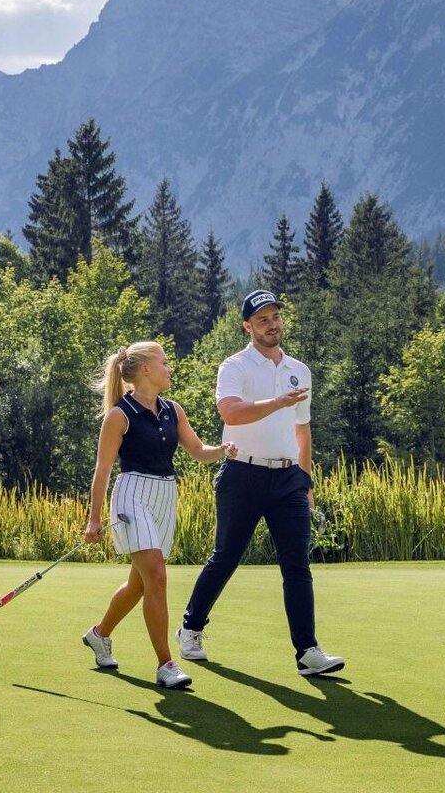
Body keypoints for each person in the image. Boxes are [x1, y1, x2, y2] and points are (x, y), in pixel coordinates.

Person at [177, 290, 346, 676]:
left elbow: (302, 430)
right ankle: (190, 628)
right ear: (248, 326)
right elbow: (231, 413)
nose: (272, 324)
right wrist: (277, 403)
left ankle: (307, 651)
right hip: (243, 474)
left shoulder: (298, 370)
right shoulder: (234, 366)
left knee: (297, 565)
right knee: (226, 558)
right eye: (263, 319)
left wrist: (306, 480)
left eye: (276, 317)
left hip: (288, 478)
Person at [81, 340, 236, 689]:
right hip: (132, 495)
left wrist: (223, 450)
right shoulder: (119, 415)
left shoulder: (173, 410)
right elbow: (101, 472)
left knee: (141, 583)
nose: (170, 367)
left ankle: (99, 634)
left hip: (165, 496)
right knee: (158, 576)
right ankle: (166, 664)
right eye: (164, 362)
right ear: (146, 370)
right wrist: (93, 520)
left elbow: (198, 452)